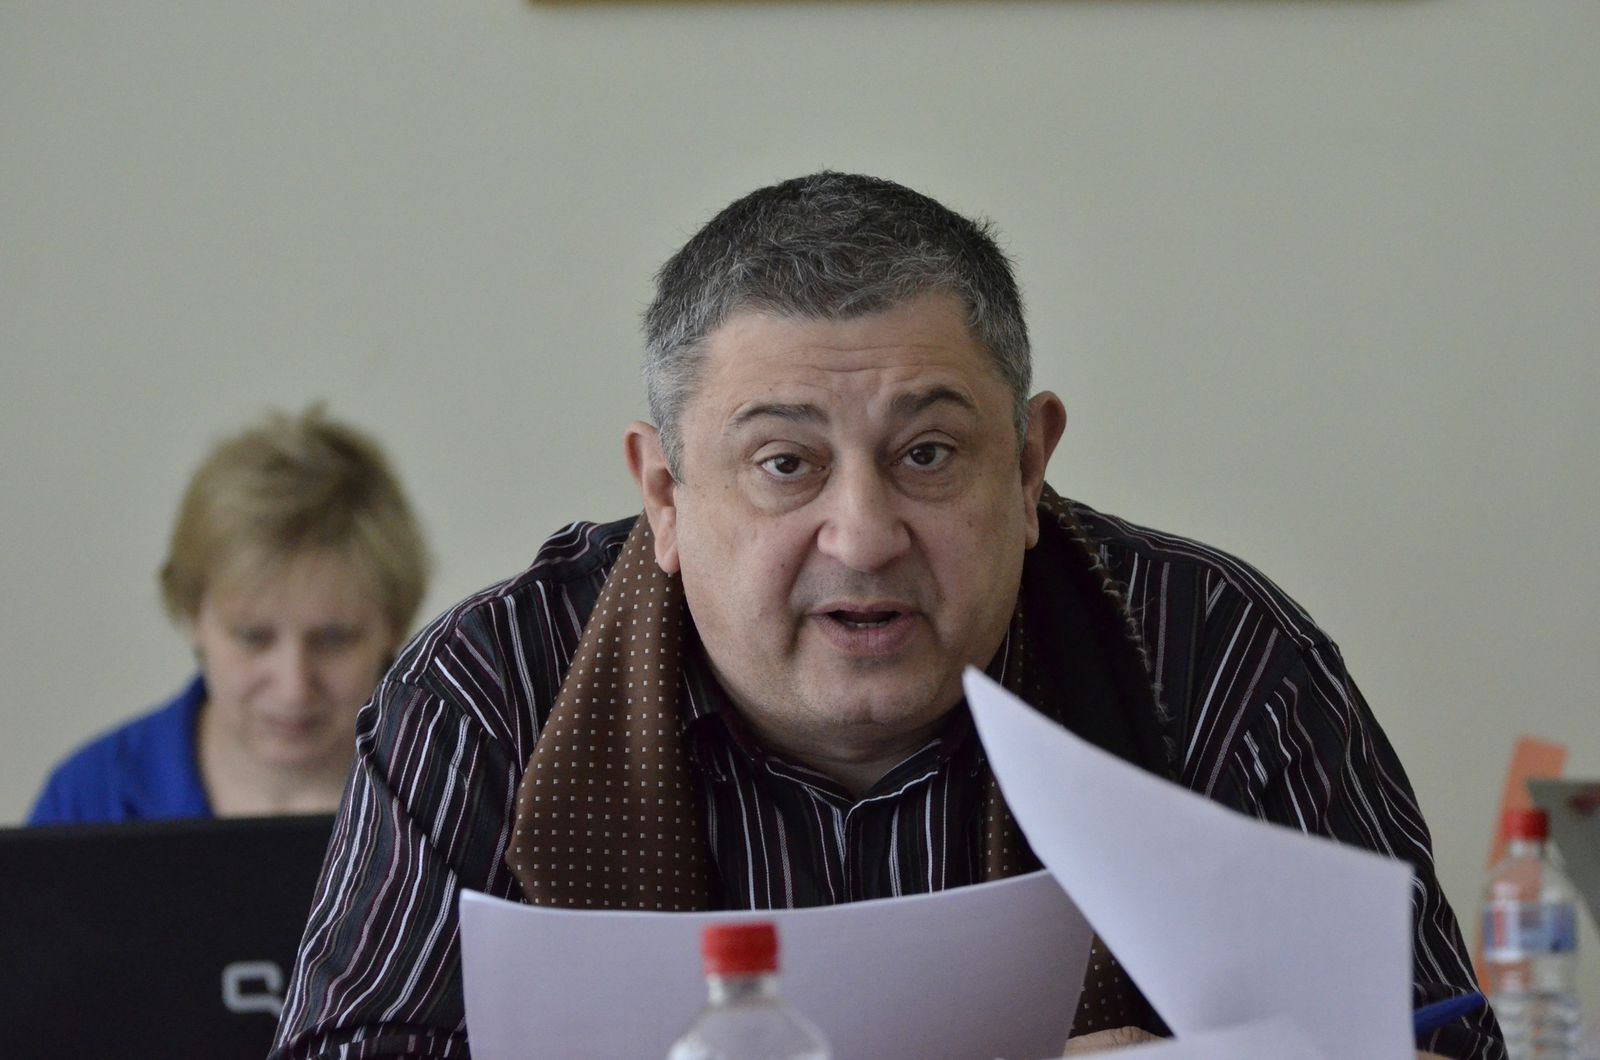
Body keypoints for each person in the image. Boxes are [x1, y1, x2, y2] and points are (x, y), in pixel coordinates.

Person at [271, 174, 1502, 1059]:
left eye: (926, 454)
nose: (862, 535)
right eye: (785, 464)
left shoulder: (1218, 658)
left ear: (1027, 467)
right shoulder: (491, 690)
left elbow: (1439, 1038)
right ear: (664, 494)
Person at [29, 406, 429, 824]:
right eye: (253, 637)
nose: (293, 688)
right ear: (192, 615)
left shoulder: (458, 791)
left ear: (393, 627)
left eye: (332, 639)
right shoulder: (89, 798)